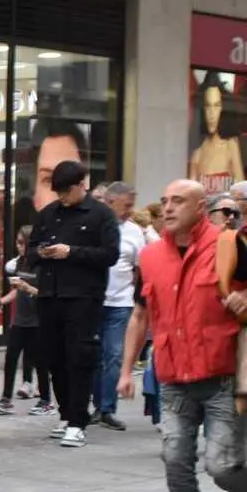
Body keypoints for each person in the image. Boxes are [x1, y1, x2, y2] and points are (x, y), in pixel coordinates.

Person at [118, 179, 247, 492]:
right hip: (173, 377)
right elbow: (141, 314)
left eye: (179, 201)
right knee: (175, 461)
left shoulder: (229, 246)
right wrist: (126, 371)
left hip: (222, 375)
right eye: (165, 201)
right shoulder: (152, 256)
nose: (169, 208)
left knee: (223, 466)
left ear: (201, 207)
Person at [28, 160, 119, 449]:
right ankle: (66, 414)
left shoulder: (101, 214)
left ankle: (79, 420)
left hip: (83, 297)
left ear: (83, 185)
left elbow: (110, 255)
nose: (63, 198)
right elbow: (30, 251)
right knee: (54, 358)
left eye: (67, 192)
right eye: (59, 193)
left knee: (80, 358)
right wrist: (43, 252)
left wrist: (72, 252)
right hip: (50, 295)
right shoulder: (48, 214)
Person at [92, 181, 146, 431]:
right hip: (93, 300)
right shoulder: (94, 225)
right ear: (110, 202)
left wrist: (133, 296)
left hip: (120, 301)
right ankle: (92, 405)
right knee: (93, 355)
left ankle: (106, 408)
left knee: (113, 355)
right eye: (126, 205)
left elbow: (139, 268)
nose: (129, 211)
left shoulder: (134, 232)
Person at [0, 226, 53, 416]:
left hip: (37, 322)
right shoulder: (20, 264)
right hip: (19, 320)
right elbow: (16, 290)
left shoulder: (42, 266)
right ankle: (6, 399)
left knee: (41, 362)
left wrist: (27, 287)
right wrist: (0, 301)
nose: (18, 247)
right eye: (17, 242)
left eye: (21, 243)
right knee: (10, 359)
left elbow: (45, 293)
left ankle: (45, 400)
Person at [189, 79, 244, 194]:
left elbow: (241, 192)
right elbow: (191, 195)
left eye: (217, 105)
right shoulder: (198, 153)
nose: (212, 113)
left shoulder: (231, 145)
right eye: (208, 106)